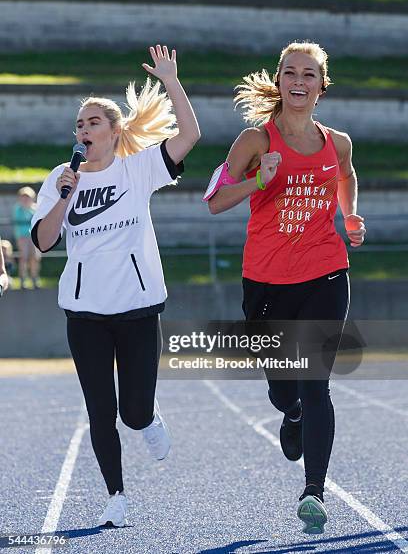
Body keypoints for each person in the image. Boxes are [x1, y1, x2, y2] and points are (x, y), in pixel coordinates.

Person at [31, 45, 200, 528]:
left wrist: (170, 80)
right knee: (99, 410)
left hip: (138, 308)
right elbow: (43, 242)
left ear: (114, 130)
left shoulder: (139, 168)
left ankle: (148, 420)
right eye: (79, 125)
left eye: (92, 122)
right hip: (84, 313)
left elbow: (190, 135)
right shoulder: (60, 180)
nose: (83, 131)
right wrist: (65, 196)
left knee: (133, 412)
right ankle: (116, 497)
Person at [205, 41, 365, 534]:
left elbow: (347, 175)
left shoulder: (337, 142)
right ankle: (289, 410)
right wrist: (257, 183)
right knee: (283, 389)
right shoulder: (256, 141)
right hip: (267, 281)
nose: (299, 80)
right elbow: (214, 201)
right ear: (279, 81)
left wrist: (349, 215)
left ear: (321, 85)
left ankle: (313, 490)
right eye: (290, 72)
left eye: (309, 74)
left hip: (326, 273)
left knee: (317, 381)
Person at [12, 186, 42, 289]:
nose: (25, 199)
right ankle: (22, 280)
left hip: (34, 236)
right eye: (23, 197)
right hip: (22, 237)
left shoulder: (35, 208)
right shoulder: (18, 208)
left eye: (27, 197)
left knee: (34, 258)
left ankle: (34, 278)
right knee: (23, 257)